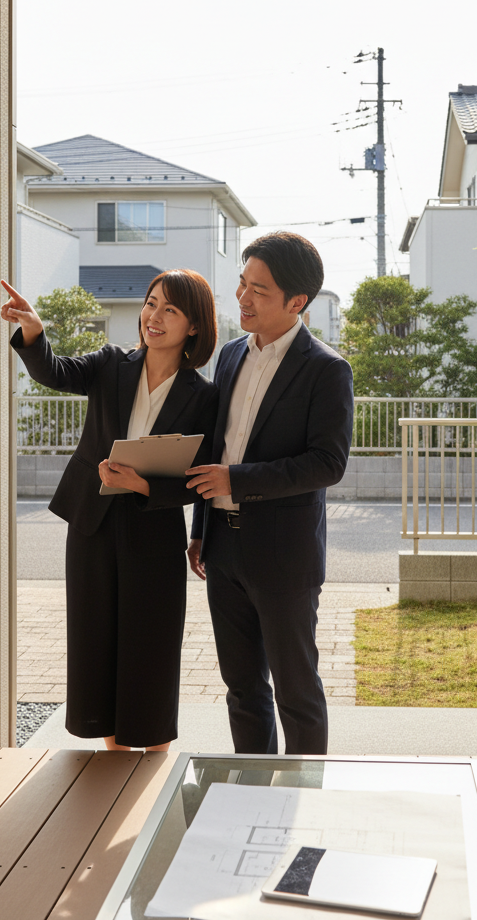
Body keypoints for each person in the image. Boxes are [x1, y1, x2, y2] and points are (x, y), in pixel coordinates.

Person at [1, 270, 219, 751]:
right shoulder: (110, 363)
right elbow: (53, 372)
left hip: (154, 526)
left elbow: (202, 476)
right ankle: (113, 754)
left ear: (195, 326)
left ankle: (155, 748)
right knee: (95, 636)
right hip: (92, 524)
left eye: (170, 310)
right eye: (150, 303)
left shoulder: (205, 395)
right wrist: (35, 331)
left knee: (152, 643)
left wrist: (142, 484)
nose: (153, 317)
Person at [185, 232, 353, 756]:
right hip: (224, 551)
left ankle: (306, 799)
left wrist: (239, 482)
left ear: (296, 302)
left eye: (258, 289)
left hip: (284, 556)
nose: (242, 297)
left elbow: (328, 464)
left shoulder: (327, 369)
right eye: (242, 283)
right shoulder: (230, 356)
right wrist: (201, 531)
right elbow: (218, 447)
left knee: (296, 692)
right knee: (242, 690)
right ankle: (251, 793)